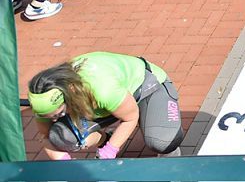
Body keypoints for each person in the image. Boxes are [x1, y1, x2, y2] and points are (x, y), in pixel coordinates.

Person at [28, 52, 183, 159]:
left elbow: (130, 117)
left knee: (162, 141)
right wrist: (65, 163)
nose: (55, 120)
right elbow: (46, 136)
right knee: (64, 136)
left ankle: (170, 158)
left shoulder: (102, 88)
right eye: (50, 117)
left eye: (59, 114)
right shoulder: (45, 94)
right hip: (109, 102)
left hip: (148, 88)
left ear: (70, 93)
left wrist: (110, 151)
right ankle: (106, 138)